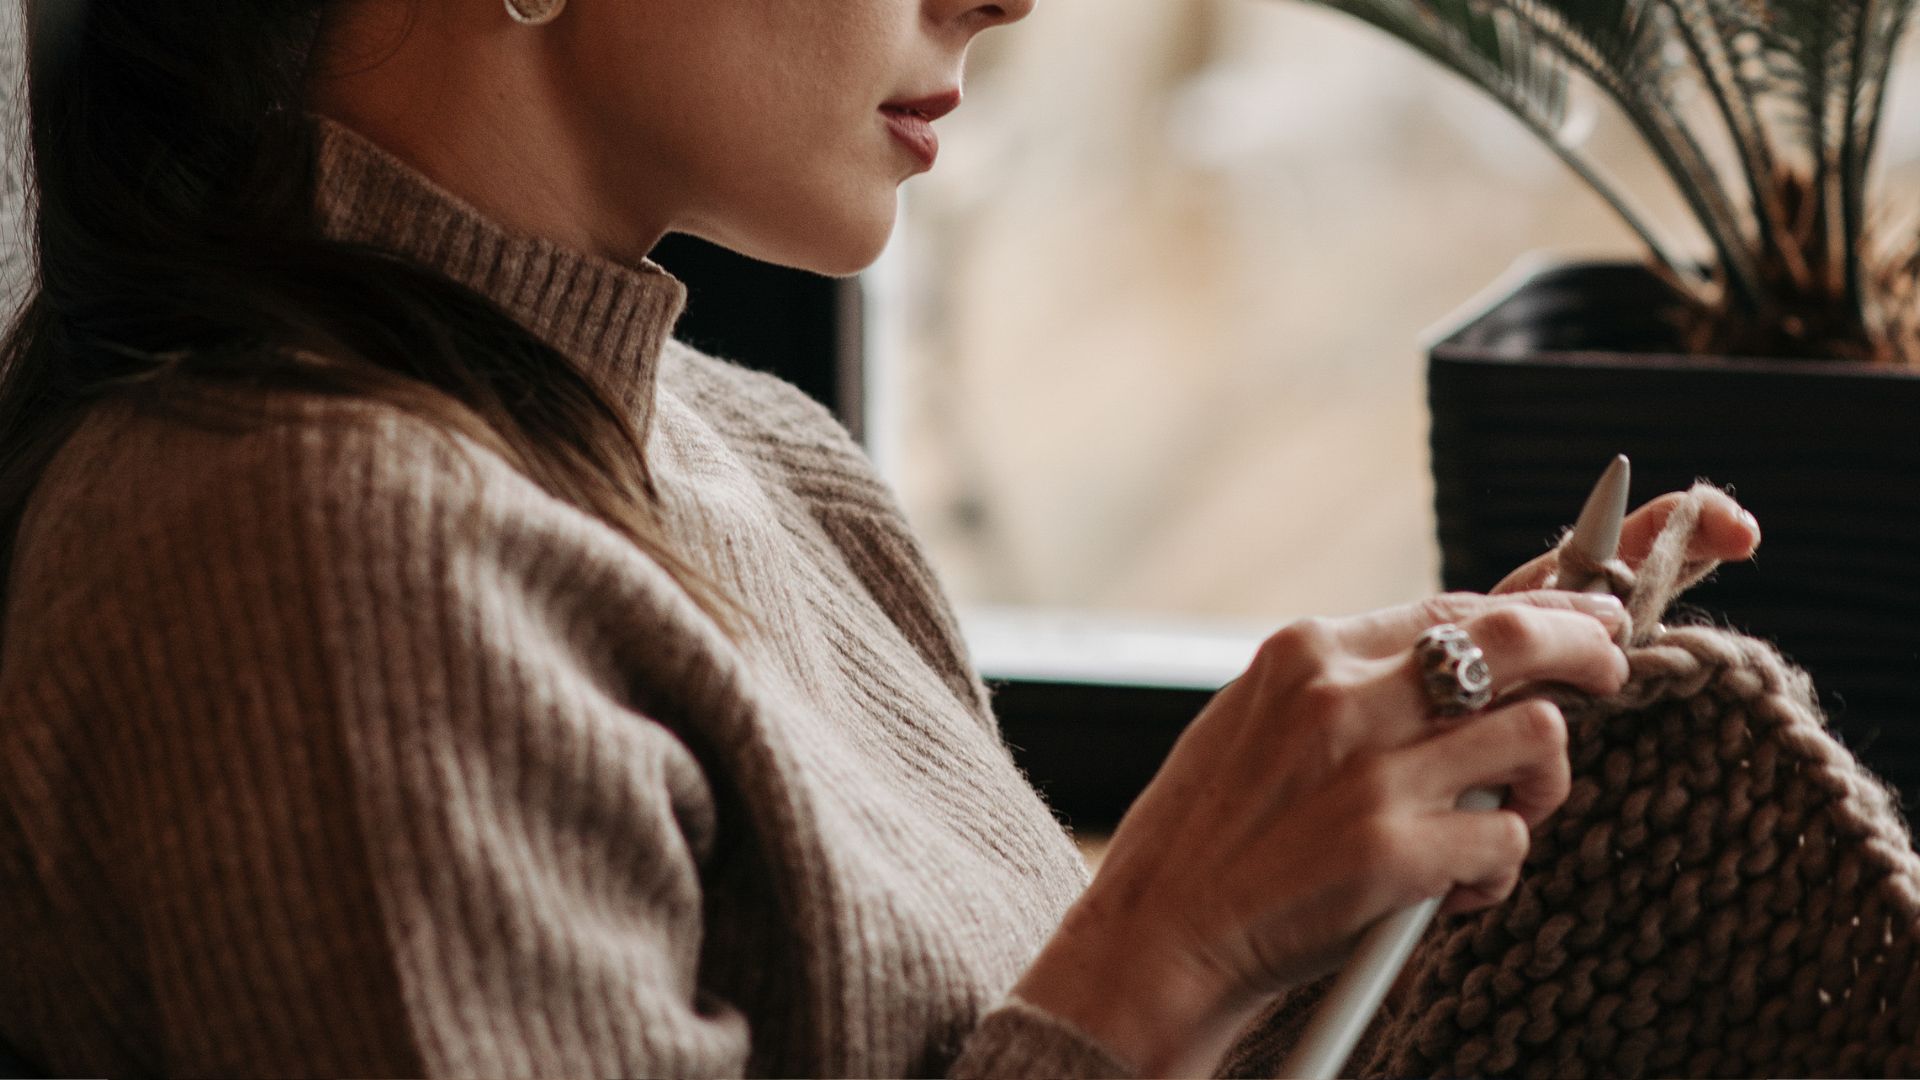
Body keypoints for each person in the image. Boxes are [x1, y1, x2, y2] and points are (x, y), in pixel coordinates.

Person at [0, 0, 1760, 1076]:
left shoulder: (766, 457)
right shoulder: (322, 558)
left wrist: (1357, 854)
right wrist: (1165, 948)